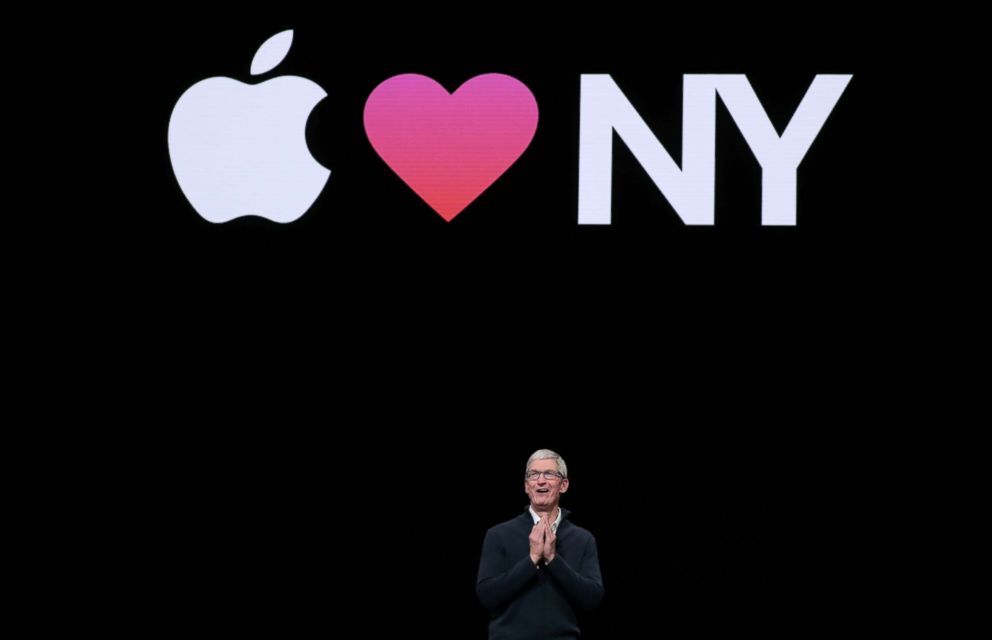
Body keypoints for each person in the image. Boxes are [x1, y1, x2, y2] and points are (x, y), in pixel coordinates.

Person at [477, 449, 604, 640]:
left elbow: (592, 599)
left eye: (549, 474)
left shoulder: (583, 539)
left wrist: (553, 559)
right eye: (533, 474)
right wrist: (532, 559)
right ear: (527, 486)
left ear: (564, 485)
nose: (541, 480)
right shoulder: (498, 534)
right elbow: (487, 597)